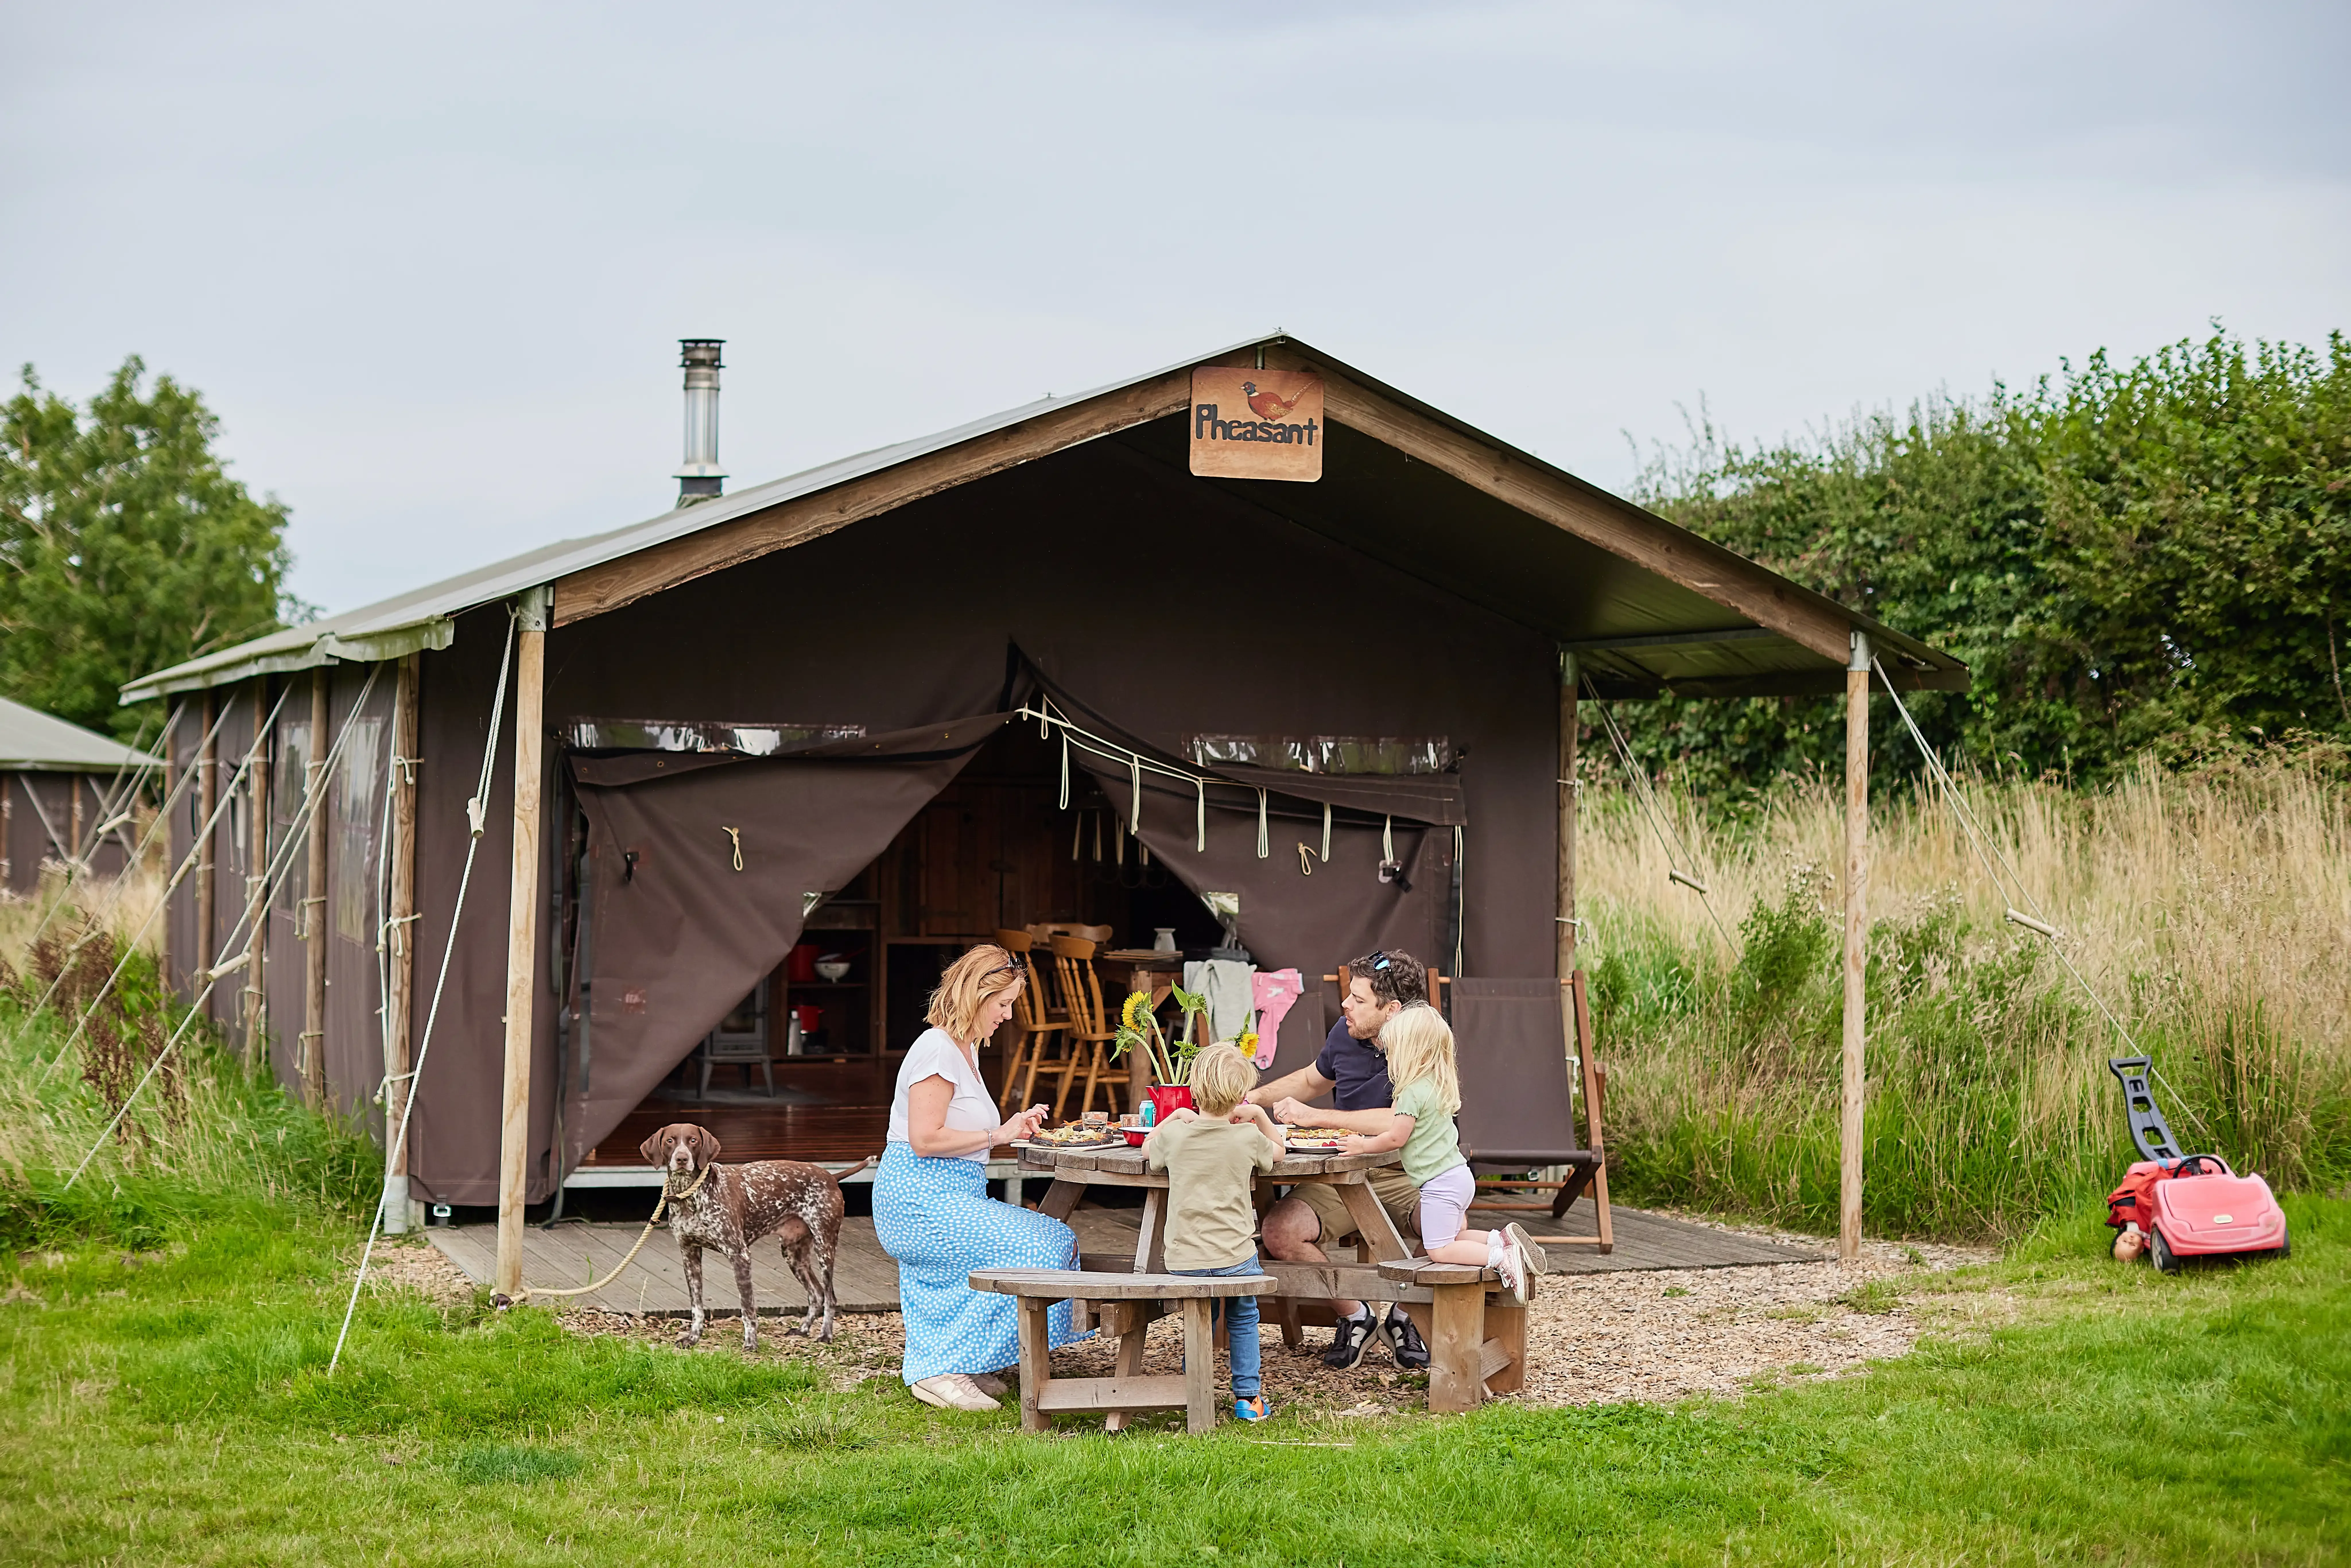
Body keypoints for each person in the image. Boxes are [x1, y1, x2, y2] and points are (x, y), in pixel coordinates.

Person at [871, 943, 1084, 1412]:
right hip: (918, 1196)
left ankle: (962, 1357)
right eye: (1003, 1003)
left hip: (949, 1191)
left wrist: (1007, 1129)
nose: (1008, 1015)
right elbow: (924, 1138)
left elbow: (962, 1130)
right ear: (975, 995)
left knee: (1056, 1237)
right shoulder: (936, 1049)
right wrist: (997, 1131)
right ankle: (938, 1368)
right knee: (1038, 1250)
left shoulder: (964, 1049)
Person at [1245, 948, 1430, 1371]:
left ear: (1392, 1010)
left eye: (1359, 999)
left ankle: (1407, 1316)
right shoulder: (1346, 1032)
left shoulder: (1424, 1044)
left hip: (1406, 1170)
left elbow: (1404, 1118)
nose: (1345, 1004)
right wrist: (1251, 1098)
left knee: (1448, 1225)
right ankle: (1356, 1315)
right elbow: (1313, 1078)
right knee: (1280, 1232)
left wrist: (1318, 1117)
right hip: (1340, 1171)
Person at [1345, 1003, 1546, 1300]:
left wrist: (1361, 1146)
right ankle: (1502, 1240)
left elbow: (1395, 1138)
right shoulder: (1436, 1084)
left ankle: (1500, 1259)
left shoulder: (1409, 1092)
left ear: (1408, 1052)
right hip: (1458, 1176)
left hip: (1439, 1185)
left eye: (1392, 1050)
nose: (1388, 1056)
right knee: (1452, 1239)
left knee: (1438, 1250)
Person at [1144, 1043, 1283, 1422]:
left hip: (1185, 1258)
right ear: (1240, 1096)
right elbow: (1280, 1151)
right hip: (1235, 1257)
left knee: (1199, 1317)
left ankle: (1195, 1385)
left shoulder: (1176, 1137)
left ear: (1194, 1090)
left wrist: (1174, 1119)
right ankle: (1248, 1399)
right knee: (1243, 1317)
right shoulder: (1247, 1138)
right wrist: (1257, 1113)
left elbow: (1146, 1149)